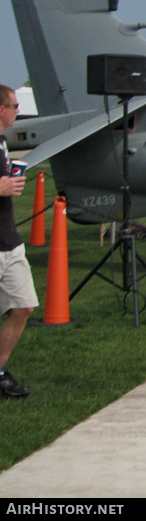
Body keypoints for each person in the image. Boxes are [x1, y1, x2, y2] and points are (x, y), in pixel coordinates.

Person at [0, 85, 35, 398]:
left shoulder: (2, 141)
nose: (17, 111)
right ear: (1, 109)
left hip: (9, 241)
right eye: (13, 106)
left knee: (23, 306)